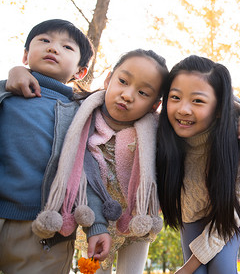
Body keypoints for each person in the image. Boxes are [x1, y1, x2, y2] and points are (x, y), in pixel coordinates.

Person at [29, 48, 168, 274]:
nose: (128, 95)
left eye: (143, 93)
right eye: (123, 81)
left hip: (137, 221)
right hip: (94, 221)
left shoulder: (158, 129)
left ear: (155, 105)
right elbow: (47, 87)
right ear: (108, 79)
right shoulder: (79, 113)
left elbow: (201, 109)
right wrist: (19, 72)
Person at [0, 19, 110, 274]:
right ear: (26, 55)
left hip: (45, 231)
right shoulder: (6, 93)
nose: (53, 48)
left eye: (67, 47)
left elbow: (87, 174)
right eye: (45, 40)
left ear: (81, 71)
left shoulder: (82, 113)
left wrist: (97, 226)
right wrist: (11, 76)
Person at [156, 55, 240, 274]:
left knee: (220, 270)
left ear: (218, 109)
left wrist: (187, 267)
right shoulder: (162, 136)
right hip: (190, 212)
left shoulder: (235, 141)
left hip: (227, 213)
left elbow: (230, 217)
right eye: (175, 97)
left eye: (197, 101)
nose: (183, 109)